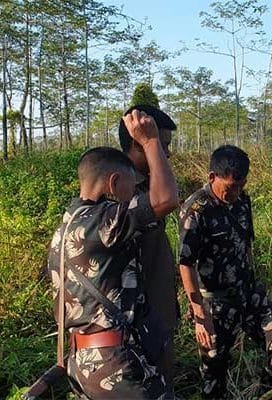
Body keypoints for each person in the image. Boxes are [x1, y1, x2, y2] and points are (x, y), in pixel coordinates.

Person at [47, 110, 179, 399]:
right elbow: (166, 198)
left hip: (87, 362)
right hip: (114, 365)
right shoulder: (100, 222)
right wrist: (151, 141)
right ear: (113, 183)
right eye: (130, 188)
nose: (132, 196)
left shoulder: (67, 226)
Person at [178, 145, 272, 399]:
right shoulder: (197, 210)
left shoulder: (243, 202)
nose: (234, 193)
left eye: (240, 187)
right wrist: (199, 316)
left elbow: (246, 243)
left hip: (248, 293)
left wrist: (255, 286)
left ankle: (266, 394)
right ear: (211, 177)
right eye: (229, 188)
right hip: (215, 304)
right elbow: (185, 263)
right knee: (214, 374)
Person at [118, 104, 179, 383]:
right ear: (138, 142)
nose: (166, 152)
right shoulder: (121, 190)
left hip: (156, 314)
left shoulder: (149, 183)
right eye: (162, 144)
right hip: (134, 324)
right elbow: (166, 200)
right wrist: (150, 139)